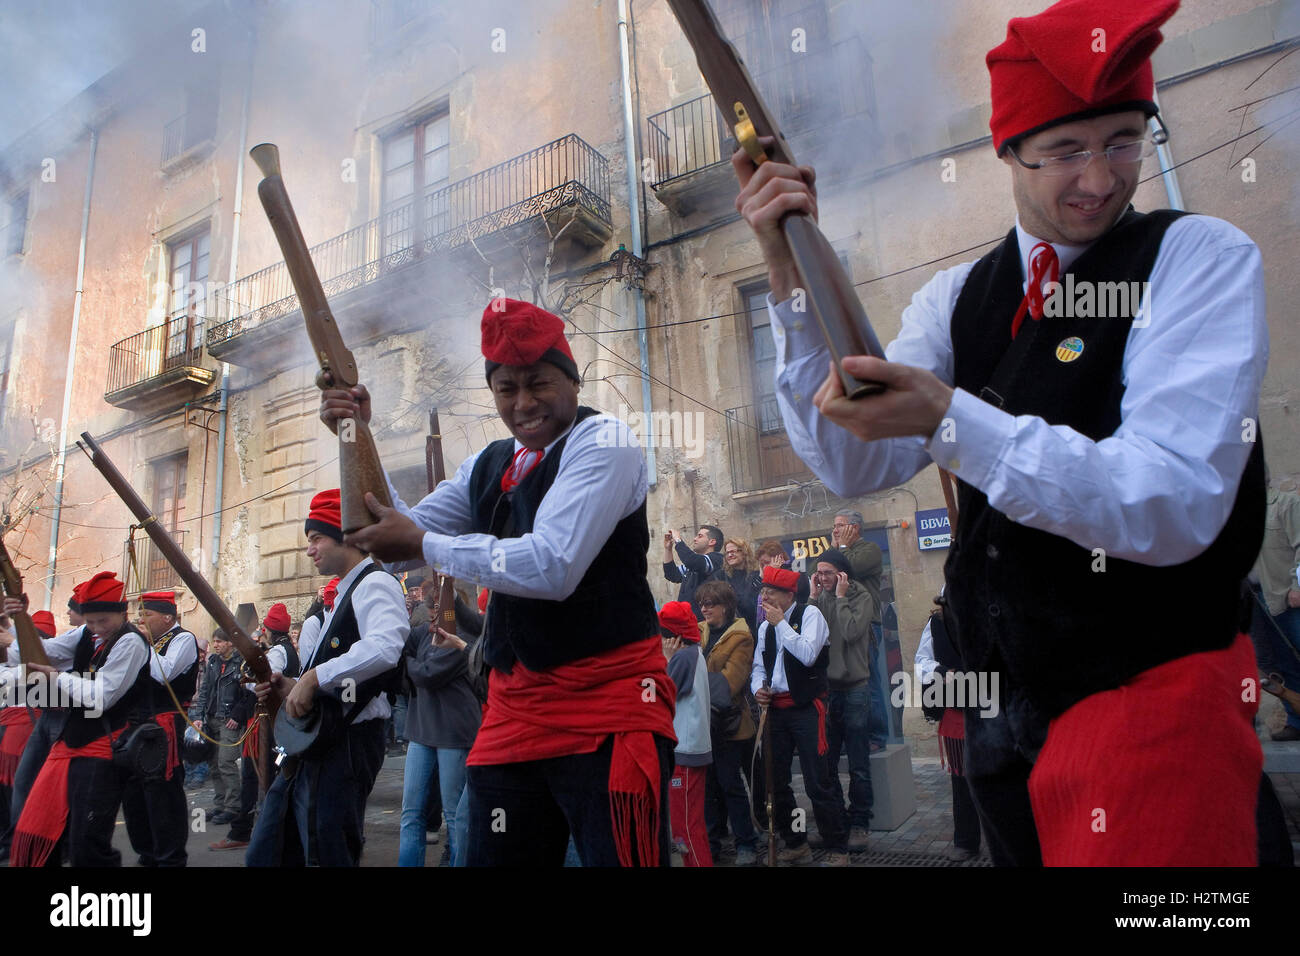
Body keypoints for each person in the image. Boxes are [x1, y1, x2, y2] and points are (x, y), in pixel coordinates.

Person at [734, 0, 1266, 865]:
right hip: (1006, 731)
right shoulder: (955, 297)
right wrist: (784, 265)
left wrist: (953, 419)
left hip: (1157, 705)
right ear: (1007, 151)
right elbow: (851, 459)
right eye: (1065, 150)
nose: (1099, 177)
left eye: (1124, 140)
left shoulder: (1199, 255)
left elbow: (1173, 497)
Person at [318, 297, 676, 866]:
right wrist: (354, 433)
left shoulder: (606, 442)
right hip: (516, 710)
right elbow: (394, 529)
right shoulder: (489, 464)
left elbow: (553, 565)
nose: (524, 403)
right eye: (507, 388)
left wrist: (423, 545)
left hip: (609, 707)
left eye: (538, 384)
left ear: (572, 380)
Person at [245, 489, 407, 867]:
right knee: (272, 850)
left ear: (346, 537)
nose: (310, 549)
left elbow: (386, 647)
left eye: (316, 538)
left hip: (345, 743)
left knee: (326, 853)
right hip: (319, 740)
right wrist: (292, 685)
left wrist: (315, 677)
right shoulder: (344, 594)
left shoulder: (375, 583)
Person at [11, 572, 154, 866]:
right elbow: (38, 653)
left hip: (102, 750)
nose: (97, 628)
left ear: (122, 614)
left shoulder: (132, 643)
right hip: (70, 746)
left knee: (88, 843)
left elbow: (101, 696)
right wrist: (19, 619)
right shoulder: (85, 634)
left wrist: (57, 677)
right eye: (91, 622)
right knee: (44, 829)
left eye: (104, 621)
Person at [751, 565, 848, 866]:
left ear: (789, 594)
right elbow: (758, 667)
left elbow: (807, 654)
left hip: (807, 709)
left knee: (817, 781)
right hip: (776, 712)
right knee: (777, 782)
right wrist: (758, 689)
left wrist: (781, 624)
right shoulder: (765, 627)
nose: (764, 595)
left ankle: (838, 847)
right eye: (763, 590)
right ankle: (797, 841)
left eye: (771, 590)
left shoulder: (810, 615)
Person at [1, 583, 93, 862]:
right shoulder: (80, 635)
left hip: (74, 720)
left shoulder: (114, 639)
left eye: (74, 608)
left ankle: (57, 845)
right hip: (50, 716)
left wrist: (12, 633)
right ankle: (23, 842)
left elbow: (36, 661)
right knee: (24, 785)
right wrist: (16, 622)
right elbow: (25, 656)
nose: (68, 612)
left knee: (62, 792)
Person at [398, 581, 482, 867]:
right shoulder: (423, 633)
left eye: (438, 606)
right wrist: (408, 661)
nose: (432, 611)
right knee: (411, 813)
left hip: (455, 733)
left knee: (454, 816)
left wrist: (409, 663)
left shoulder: (463, 637)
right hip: (422, 730)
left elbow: (428, 674)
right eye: (431, 605)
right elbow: (401, 650)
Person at [122, 589, 196, 868]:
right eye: (139, 615)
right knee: (135, 795)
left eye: (147, 615)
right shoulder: (145, 641)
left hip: (164, 723)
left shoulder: (183, 638)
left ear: (167, 618)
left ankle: (170, 857)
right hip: (136, 723)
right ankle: (147, 853)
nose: (141, 620)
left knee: (162, 793)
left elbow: (163, 674)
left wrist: (141, 642)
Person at [809, 548, 875, 850]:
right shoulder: (820, 596)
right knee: (827, 763)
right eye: (818, 573)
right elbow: (810, 633)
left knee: (859, 764)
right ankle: (837, 825)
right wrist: (811, 598)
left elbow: (849, 632)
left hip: (855, 689)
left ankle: (861, 823)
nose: (822, 578)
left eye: (827, 572)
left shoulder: (861, 596)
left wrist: (840, 597)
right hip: (827, 690)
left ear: (842, 573)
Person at [694, 579, 758, 866]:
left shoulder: (741, 636)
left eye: (711, 604)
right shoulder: (698, 631)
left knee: (731, 784)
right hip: (701, 722)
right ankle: (712, 842)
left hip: (728, 723)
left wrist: (692, 682)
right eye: (702, 604)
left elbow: (730, 683)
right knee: (707, 787)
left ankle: (746, 843)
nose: (705, 609)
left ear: (726, 606)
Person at [916, 593, 982, 862]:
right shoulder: (935, 625)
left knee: (1003, 777)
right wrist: (944, 672)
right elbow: (922, 662)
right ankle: (966, 841)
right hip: (958, 712)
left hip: (997, 707)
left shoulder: (989, 614)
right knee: (962, 779)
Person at [657, 601, 712, 866]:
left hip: (685, 753)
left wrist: (666, 661)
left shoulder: (681, 658)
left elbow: (658, 697)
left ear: (673, 637)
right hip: (690, 751)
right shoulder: (694, 653)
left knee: (685, 830)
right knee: (689, 825)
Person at [1248, 482, 1300, 740]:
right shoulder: (1239, 510)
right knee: (1280, 664)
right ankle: (1297, 722)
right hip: (1257, 600)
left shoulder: (1286, 503)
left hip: (1287, 597)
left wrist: (1298, 585)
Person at [189, 627, 244, 826]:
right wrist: (199, 716)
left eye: (220, 641)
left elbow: (245, 693)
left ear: (230, 643)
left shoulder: (240, 663)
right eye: (215, 642)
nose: (216, 645)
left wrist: (237, 715)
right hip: (211, 718)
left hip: (228, 719)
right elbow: (205, 690)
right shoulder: (213, 662)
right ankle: (220, 804)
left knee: (226, 763)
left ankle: (233, 806)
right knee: (214, 765)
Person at [663, 525, 725, 616]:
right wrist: (668, 549)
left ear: (712, 542)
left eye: (700, 536)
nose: (695, 539)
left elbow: (692, 561)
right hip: (686, 621)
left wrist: (678, 540)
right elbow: (671, 574)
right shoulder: (693, 565)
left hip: (703, 623)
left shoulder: (717, 559)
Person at [715, 538, 761, 637]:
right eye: (727, 553)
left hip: (756, 627)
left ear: (744, 552)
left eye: (733, 552)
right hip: (734, 630)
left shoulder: (757, 575)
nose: (729, 555)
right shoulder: (721, 576)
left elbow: (751, 603)